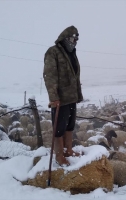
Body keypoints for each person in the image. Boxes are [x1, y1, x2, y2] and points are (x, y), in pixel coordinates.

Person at [43, 25, 83, 166]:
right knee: (59, 127)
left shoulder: (71, 53)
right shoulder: (53, 52)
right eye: (73, 38)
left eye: (77, 39)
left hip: (71, 97)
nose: (75, 41)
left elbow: (74, 76)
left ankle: (68, 150)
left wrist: (77, 94)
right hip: (60, 98)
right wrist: (54, 97)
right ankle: (59, 156)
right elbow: (50, 76)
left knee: (70, 125)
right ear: (65, 38)